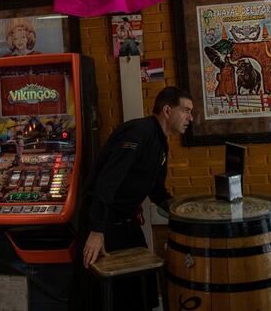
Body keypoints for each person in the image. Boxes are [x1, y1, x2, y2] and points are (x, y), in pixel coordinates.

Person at [80, 86, 193, 309]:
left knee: (142, 287)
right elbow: (108, 181)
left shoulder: (161, 142)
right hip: (101, 223)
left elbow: (157, 190)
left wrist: (181, 210)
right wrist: (96, 231)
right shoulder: (139, 132)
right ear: (168, 111)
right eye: (186, 110)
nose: (190, 118)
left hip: (125, 222)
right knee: (104, 298)